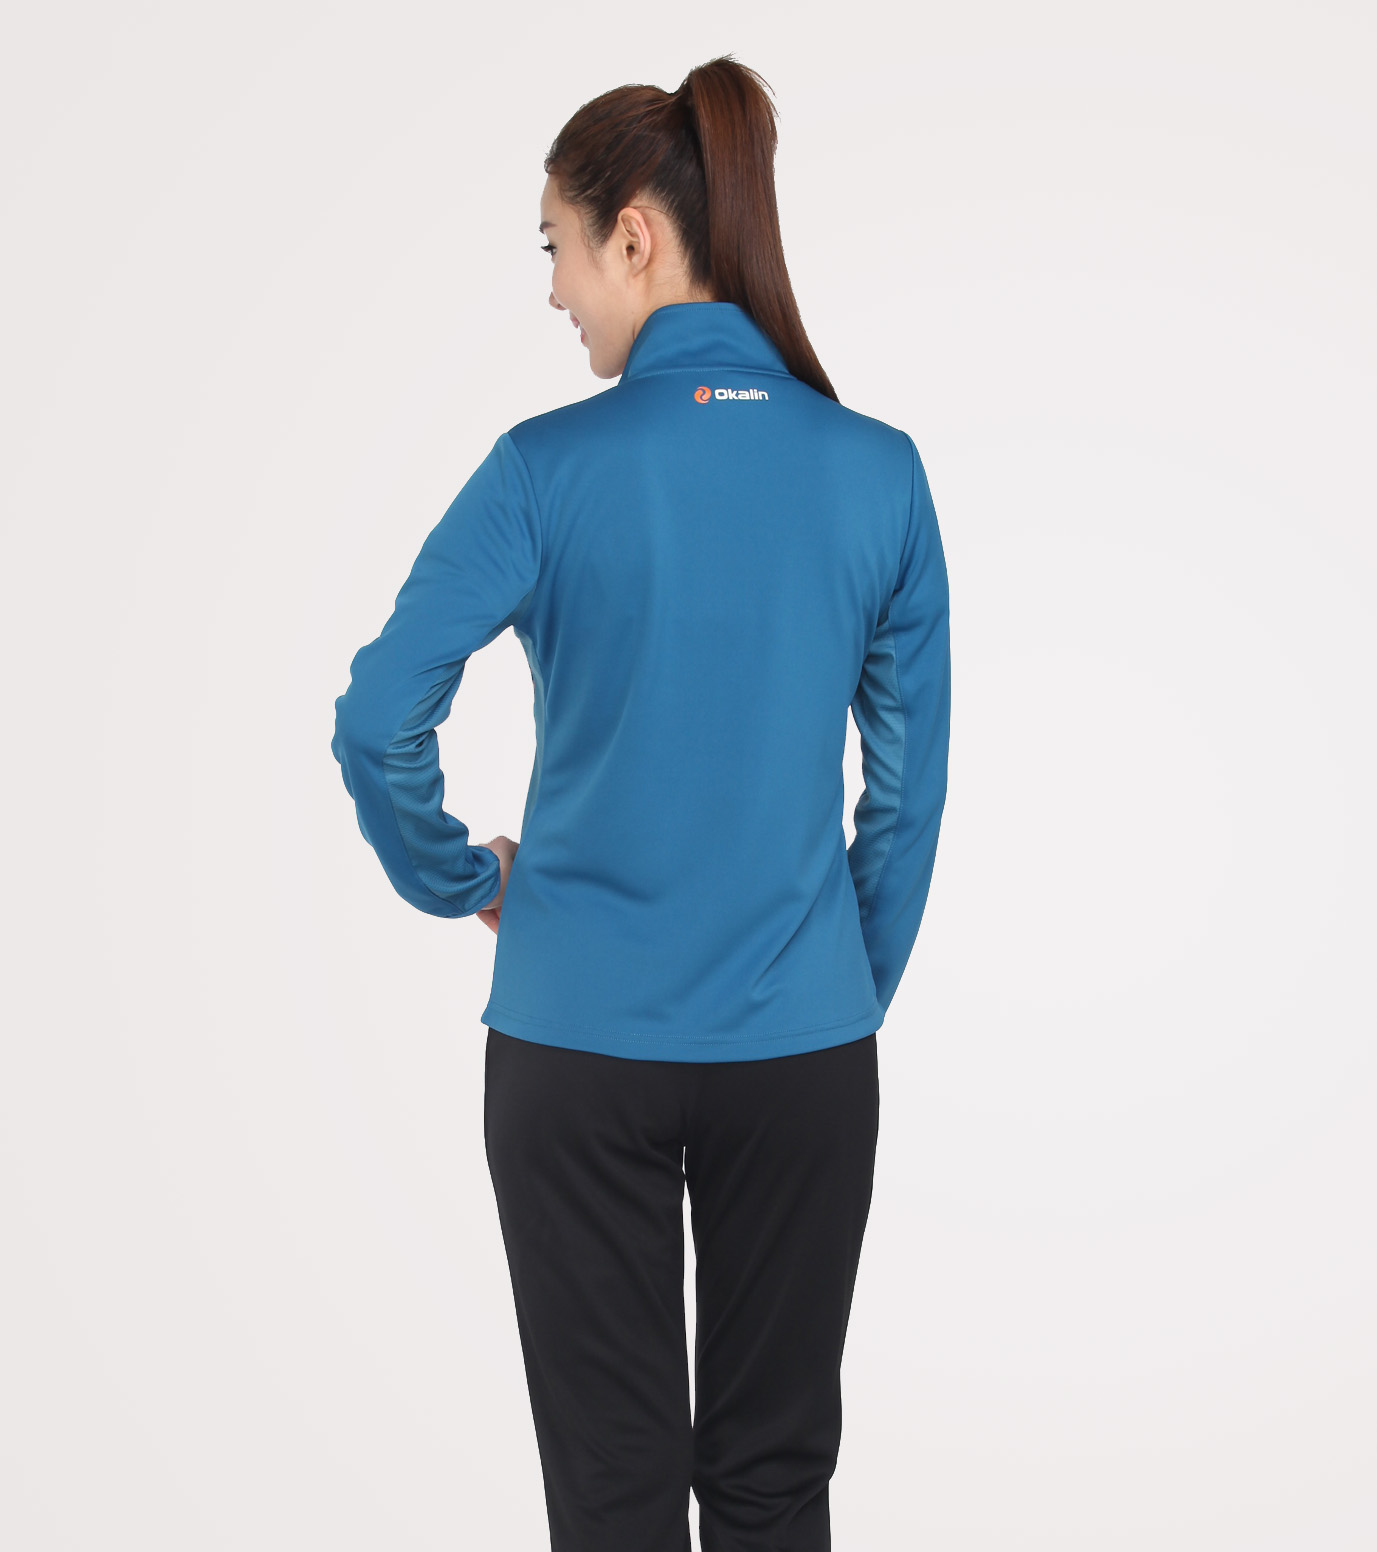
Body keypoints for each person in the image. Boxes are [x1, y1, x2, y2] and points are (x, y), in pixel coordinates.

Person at [330, 53, 951, 1552]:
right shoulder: (878, 474)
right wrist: (835, 991)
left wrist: (466, 878)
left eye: (555, 246)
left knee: (609, 1504)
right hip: (800, 1054)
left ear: (634, 236)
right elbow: (907, 790)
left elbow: (377, 716)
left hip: (574, 1048)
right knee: (773, 1486)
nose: (553, 291)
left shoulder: (543, 471)